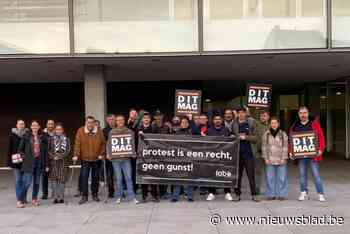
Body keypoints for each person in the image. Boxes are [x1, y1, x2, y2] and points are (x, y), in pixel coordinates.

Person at [289, 106, 326, 202]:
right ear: (298, 114)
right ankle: (303, 192)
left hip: (313, 155)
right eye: (301, 113)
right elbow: (291, 141)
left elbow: (321, 137)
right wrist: (291, 152)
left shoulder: (314, 124)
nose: (303, 115)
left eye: (305, 113)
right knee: (302, 175)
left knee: (316, 174)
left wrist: (320, 150)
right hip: (301, 156)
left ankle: (320, 193)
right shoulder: (295, 126)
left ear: (308, 113)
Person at [106, 114, 139, 204]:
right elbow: (108, 144)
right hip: (115, 160)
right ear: (116, 122)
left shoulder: (129, 131)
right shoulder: (112, 132)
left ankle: (132, 197)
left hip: (126, 159)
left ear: (124, 121)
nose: (120, 121)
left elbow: (132, 144)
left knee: (128, 178)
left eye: (122, 120)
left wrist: (133, 152)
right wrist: (108, 153)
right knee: (119, 178)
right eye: (118, 120)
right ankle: (119, 196)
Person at [73, 116, 106, 205]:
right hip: (85, 158)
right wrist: (76, 155)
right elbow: (77, 144)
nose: (90, 124)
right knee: (84, 177)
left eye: (92, 122)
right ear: (86, 122)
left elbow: (103, 144)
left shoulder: (99, 131)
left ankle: (94, 194)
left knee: (95, 177)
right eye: (88, 122)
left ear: (94, 123)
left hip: (96, 159)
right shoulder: (81, 131)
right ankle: (84, 196)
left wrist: (101, 154)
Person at [18, 120, 48, 207]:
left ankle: (34, 199)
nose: (35, 127)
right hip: (29, 163)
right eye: (33, 126)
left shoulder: (42, 137)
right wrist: (25, 158)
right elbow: (20, 150)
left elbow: (45, 152)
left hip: (39, 162)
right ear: (31, 127)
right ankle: (20, 200)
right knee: (27, 182)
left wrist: (46, 164)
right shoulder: (26, 136)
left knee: (37, 182)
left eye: (36, 126)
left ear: (39, 127)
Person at [232, 108, 260, 202]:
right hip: (237, 154)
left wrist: (245, 137)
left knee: (251, 175)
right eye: (239, 113)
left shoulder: (251, 123)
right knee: (237, 176)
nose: (241, 114)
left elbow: (256, 138)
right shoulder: (234, 124)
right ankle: (237, 194)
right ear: (237, 114)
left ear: (245, 113)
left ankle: (254, 194)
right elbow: (231, 135)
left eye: (242, 113)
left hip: (249, 154)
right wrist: (233, 137)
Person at [206, 113, 233, 201]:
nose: (217, 120)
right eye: (215, 119)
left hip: (224, 157)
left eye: (219, 119)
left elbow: (231, 142)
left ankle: (227, 192)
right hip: (212, 157)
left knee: (225, 174)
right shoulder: (209, 131)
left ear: (221, 121)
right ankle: (211, 193)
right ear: (213, 121)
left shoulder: (226, 130)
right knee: (212, 175)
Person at [262, 117, 288, 201]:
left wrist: (284, 158)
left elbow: (285, 146)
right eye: (272, 123)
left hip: (281, 159)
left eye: (275, 123)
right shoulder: (266, 134)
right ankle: (271, 194)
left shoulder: (283, 134)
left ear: (278, 124)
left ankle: (281, 194)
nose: (273, 124)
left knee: (282, 178)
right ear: (270, 124)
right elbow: (264, 147)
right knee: (270, 178)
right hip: (270, 159)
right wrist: (265, 158)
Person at [171, 117, 194, 202]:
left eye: (186, 122)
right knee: (178, 178)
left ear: (188, 123)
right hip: (179, 158)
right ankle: (175, 196)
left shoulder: (192, 132)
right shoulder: (176, 133)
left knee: (190, 178)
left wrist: (191, 121)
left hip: (189, 158)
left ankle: (190, 196)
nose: (184, 124)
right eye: (182, 122)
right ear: (180, 124)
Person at [7, 119, 29, 208]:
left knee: (26, 181)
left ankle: (23, 197)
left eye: (23, 124)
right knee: (18, 181)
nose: (21, 125)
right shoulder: (12, 135)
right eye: (19, 124)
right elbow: (9, 149)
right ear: (16, 125)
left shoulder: (27, 134)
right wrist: (9, 162)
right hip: (15, 162)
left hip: (25, 161)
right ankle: (20, 200)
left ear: (24, 125)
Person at [48, 123, 71, 204]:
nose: (58, 131)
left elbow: (68, 150)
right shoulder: (51, 139)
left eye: (60, 129)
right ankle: (55, 197)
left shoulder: (67, 139)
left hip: (63, 161)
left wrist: (61, 156)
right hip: (54, 162)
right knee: (54, 180)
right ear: (55, 130)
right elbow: (48, 150)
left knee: (62, 179)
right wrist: (53, 156)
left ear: (62, 130)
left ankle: (61, 197)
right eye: (57, 129)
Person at [139, 112, 160, 202]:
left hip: (152, 155)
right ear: (142, 120)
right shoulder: (138, 129)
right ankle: (144, 196)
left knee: (153, 176)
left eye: (148, 118)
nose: (146, 119)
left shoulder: (154, 129)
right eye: (145, 118)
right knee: (144, 176)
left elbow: (157, 141)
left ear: (150, 119)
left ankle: (154, 195)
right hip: (142, 156)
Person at [152, 110, 171, 199]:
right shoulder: (152, 127)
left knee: (164, 173)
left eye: (160, 116)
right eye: (157, 116)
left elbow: (171, 140)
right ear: (154, 117)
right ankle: (157, 192)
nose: (158, 117)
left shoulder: (167, 127)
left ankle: (164, 192)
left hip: (164, 153)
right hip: (154, 154)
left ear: (162, 116)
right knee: (156, 173)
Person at [255, 111, 270, 195]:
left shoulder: (272, 125)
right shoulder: (257, 125)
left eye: (264, 116)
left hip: (269, 153)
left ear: (268, 116)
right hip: (258, 152)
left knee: (269, 171)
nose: (262, 117)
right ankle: (257, 189)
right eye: (261, 116)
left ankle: (270, 189)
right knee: (257, 171)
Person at [102, 114, 116, 198]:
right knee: (110, 175)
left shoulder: (119, 129)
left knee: (119, 175)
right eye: (110, 119)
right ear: (107, 120)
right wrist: (105, 154)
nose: (111, 121)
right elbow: (103, 144)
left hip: (119, 156)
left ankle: (121, 190)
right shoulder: (104, 131)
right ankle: (111, 191)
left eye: (113, 119)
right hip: (109, 156)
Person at [41, 119, 55, 199]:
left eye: (52, 124)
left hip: (55, 159)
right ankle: (45, 193)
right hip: (45, 159)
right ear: (46, 125)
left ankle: (55, 192)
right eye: (49, 124)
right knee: (45, 177)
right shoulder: (42, 135)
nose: (50, 125)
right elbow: (43, 149)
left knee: (55, 176)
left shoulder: (56, 134)